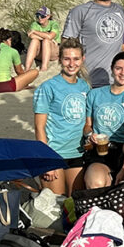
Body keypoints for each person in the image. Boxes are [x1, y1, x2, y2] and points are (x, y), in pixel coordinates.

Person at [33, 38, 90, 194]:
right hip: (54, 153)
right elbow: (39, 127)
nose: (71, 64)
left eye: (76, 59)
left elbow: (85, 122)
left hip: (77, 153)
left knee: (74, 204)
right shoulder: (48, 87)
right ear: (59, 60)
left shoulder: (84, 86)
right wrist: (47, 160)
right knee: (54, 206)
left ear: (82, 59)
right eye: (67, 59)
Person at [83, 52, 124, 189]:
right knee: (97, 182)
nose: (123, 73)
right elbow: (88, 125)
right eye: (119, 68)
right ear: (112, 69)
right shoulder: (95, 94)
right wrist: (89, 135)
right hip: (99, 149)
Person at [62, 0, 124, 87]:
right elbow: (66, 45)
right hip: (87, 81)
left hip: (115, 81)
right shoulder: (80, 11)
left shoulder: (121, 10)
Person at [0, 28, 38, 93]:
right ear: (9, 40)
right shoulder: (13, 51)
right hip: (4, 86)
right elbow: (19, 71)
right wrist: (25, 82)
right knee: (35, 72)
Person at [24, 6, 59, 72]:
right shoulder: (34, 24)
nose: (40, 18)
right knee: (34, 41)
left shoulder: (54, 24)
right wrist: (46, 37)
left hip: (53, 53)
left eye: (42, 16)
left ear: (48, 16)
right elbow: (31, 35)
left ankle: (44, 67)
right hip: (39, 53)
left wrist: (35, 32)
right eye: (38, 16)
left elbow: (50, 36)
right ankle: (27, 67)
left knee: (46, 41)